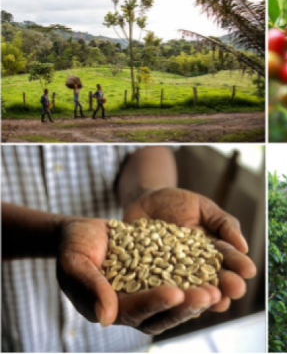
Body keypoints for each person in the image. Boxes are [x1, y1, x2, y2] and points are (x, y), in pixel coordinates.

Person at [1, 146, 258, 351]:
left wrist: (145, 193)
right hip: (23, 329)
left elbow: (147, 146)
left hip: (119, 340)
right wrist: (57, 233)